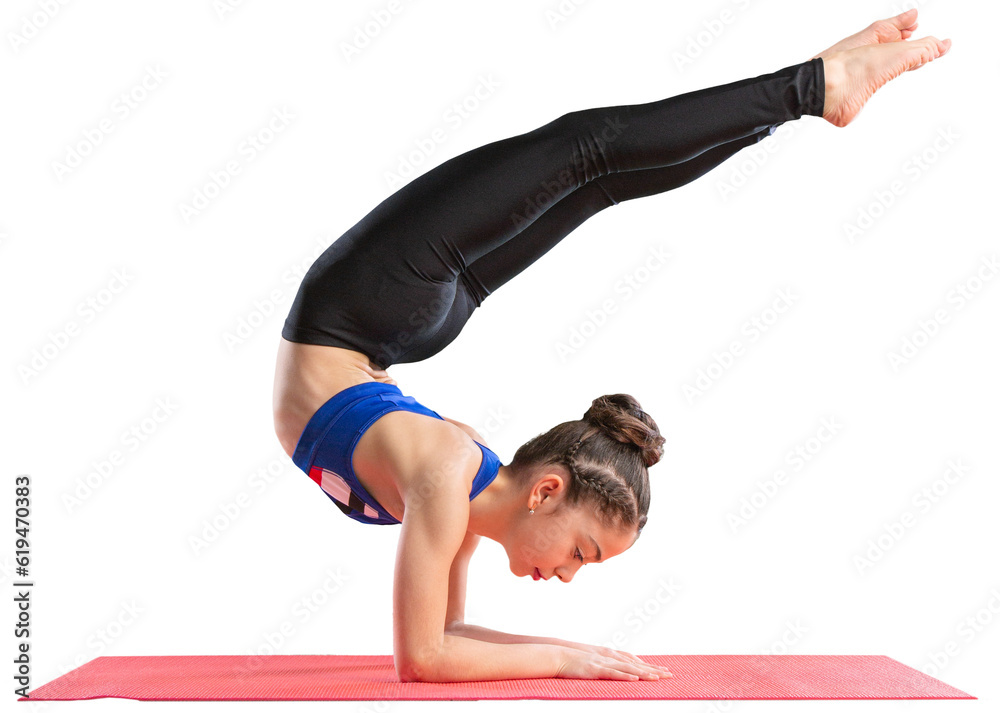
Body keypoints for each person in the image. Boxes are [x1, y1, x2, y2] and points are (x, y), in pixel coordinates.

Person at [272, 10, 950, 683]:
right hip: (379, 319)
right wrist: (569, 655)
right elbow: (433, 649)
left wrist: (568, 656)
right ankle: (811, 91)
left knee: (595, 162)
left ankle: (809, 93)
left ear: (545, 489)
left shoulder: (452, 476)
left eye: (581, 554)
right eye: (583, 554)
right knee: (591, 163)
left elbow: (431, 649)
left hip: (358, 307)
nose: (566, 573)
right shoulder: (455, 473)